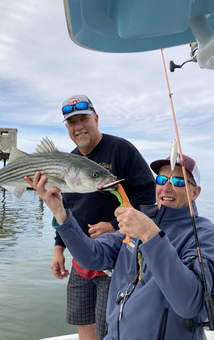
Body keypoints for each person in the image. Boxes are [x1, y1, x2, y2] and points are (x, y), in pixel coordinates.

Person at [25, 154, 214, 340]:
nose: (167, 187)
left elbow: (189, 304)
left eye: (178, 181)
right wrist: (60, 213)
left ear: (195, 193)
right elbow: (92, 257)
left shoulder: (205, 235)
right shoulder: (139, 222)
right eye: (161, 179)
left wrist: (151, 235)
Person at [33, 94, 155, 340]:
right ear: (67, 127)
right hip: (81, 261)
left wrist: (113, 226)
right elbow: (66, 209)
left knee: (108, 329)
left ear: (96, 119)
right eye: (71, 122)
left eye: (84, 119)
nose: (79, 126)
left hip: (118, 261)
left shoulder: (122, 150)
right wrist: (58, 249)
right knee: (84, 326)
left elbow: (148, 201)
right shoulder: (67, 161)